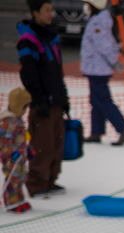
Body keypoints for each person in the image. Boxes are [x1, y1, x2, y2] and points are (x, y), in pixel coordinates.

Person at [17, 0, 69, 197]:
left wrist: (63, 97)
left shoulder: (52, 38)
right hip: (42, 103)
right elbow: (28, 74)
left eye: (52, 10)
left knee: (57, 143)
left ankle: (50, 180)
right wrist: (38, 99)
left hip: (55, 100)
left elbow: (57, 71)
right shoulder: (28, 40)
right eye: (47, 10)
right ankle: (37, 184)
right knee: (42, 145)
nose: (51, 14)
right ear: (35, 13)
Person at [80, 0, 124, 146]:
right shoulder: (99, 20)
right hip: (94, 68)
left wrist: (115, 61)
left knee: (103, 101)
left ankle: (122, 129)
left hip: (98, 68)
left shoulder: (98, 22)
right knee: (96, 101)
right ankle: (96, 132)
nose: (86, 7)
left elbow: (105, 45)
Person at [1, 87, 33, 212]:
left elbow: (21, 138)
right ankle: (11, 203)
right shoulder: (7, 122)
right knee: (13, 179)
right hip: (11, 157)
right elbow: (4, 141)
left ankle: (19, 199)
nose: (26, 111)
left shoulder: (17, 119)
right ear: (18, 106)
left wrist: (28, 149)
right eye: (25, 107)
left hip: (20, 156)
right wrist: (9, 154)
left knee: (21, 177)